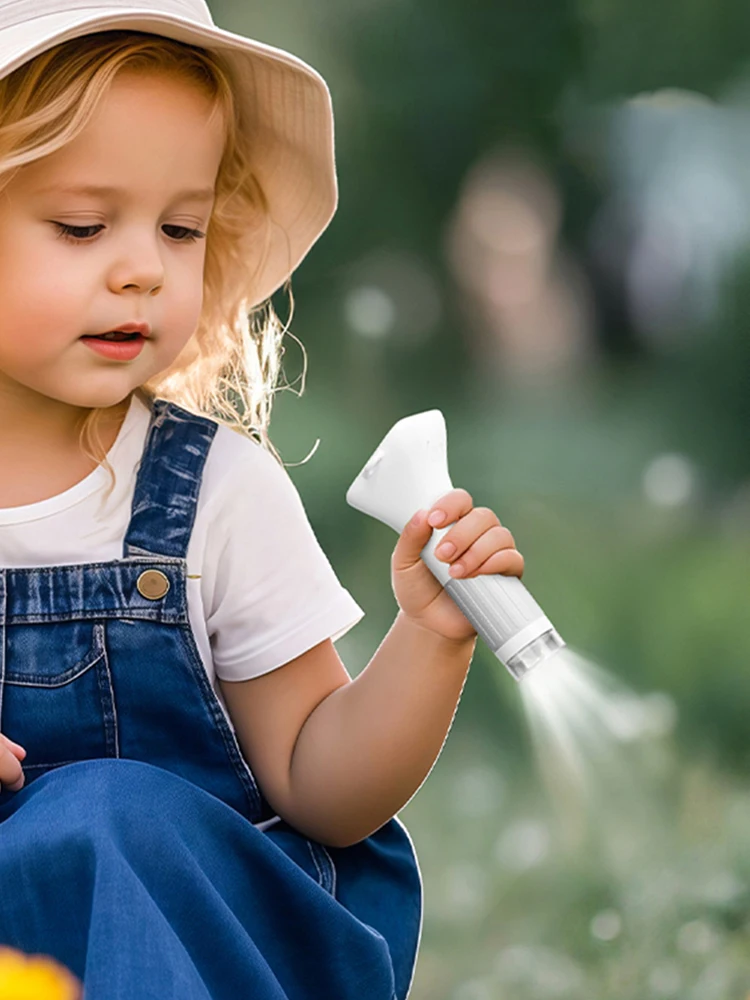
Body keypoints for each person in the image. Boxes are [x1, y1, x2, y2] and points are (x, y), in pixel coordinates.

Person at [0, 1, 526, 997]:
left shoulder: (211, 498)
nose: (141, 267)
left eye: (180, 227)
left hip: (195, 953)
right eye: (82, 225)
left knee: (104, 815)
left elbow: (323, 786)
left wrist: (430, 637)